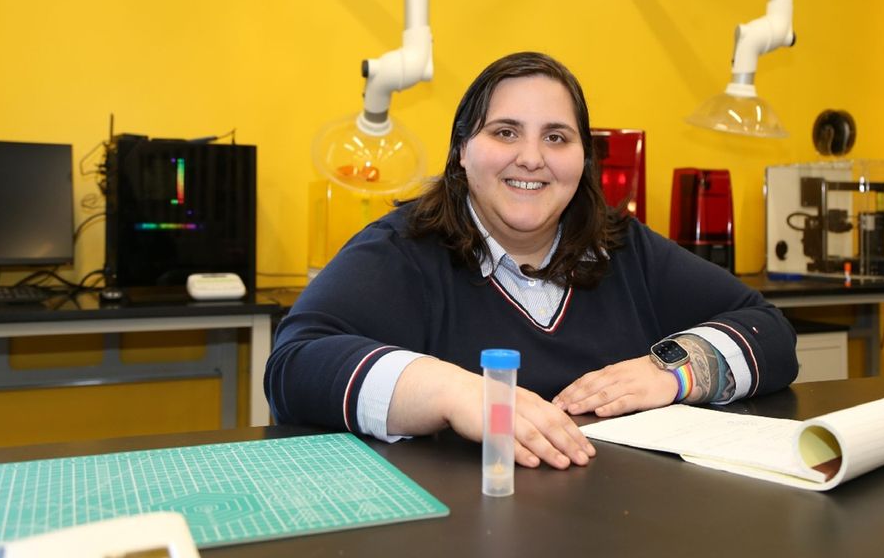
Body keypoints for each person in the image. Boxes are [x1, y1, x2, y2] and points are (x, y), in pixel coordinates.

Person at [267, 51, 798, 470]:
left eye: (556, 137)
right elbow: (293, 366)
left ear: (583, 159)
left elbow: (769, 329)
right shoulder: (402, 250)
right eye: (505, 132)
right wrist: (455, 391)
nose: (531, 158)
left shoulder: (625, 248)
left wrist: (674, 371)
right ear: (461, 150)